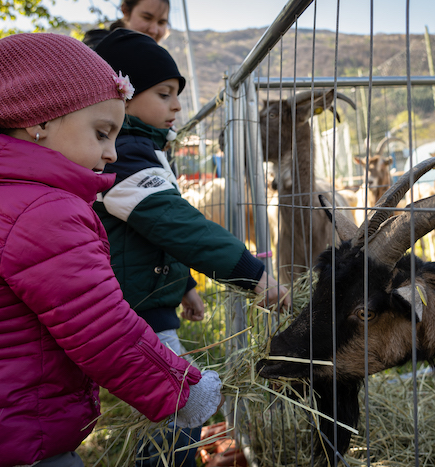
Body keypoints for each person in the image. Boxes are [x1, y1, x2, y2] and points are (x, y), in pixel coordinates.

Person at [0, 33, 222, 467]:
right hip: (14, 436)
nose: (112, 154)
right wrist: (183, 389)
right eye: (102, 133)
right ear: (39, 121)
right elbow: (102, 328)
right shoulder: (42, 211)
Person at [92, 29, 291, 467]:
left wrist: (184, 286)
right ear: (123, 97)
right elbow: (176, 225)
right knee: (184, 406)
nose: (177, 106)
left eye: (177, 95)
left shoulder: (142, 149)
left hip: (145, 304)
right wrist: (254, 275)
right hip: (135, 313)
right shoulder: (124, 155)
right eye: (164, 94)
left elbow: (148, 234)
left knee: (172, 410)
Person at [83, 0, 170, 48]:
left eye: (161, 22)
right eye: (146, 18)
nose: (154, 30)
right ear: (125, 11)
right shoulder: (97, 42)